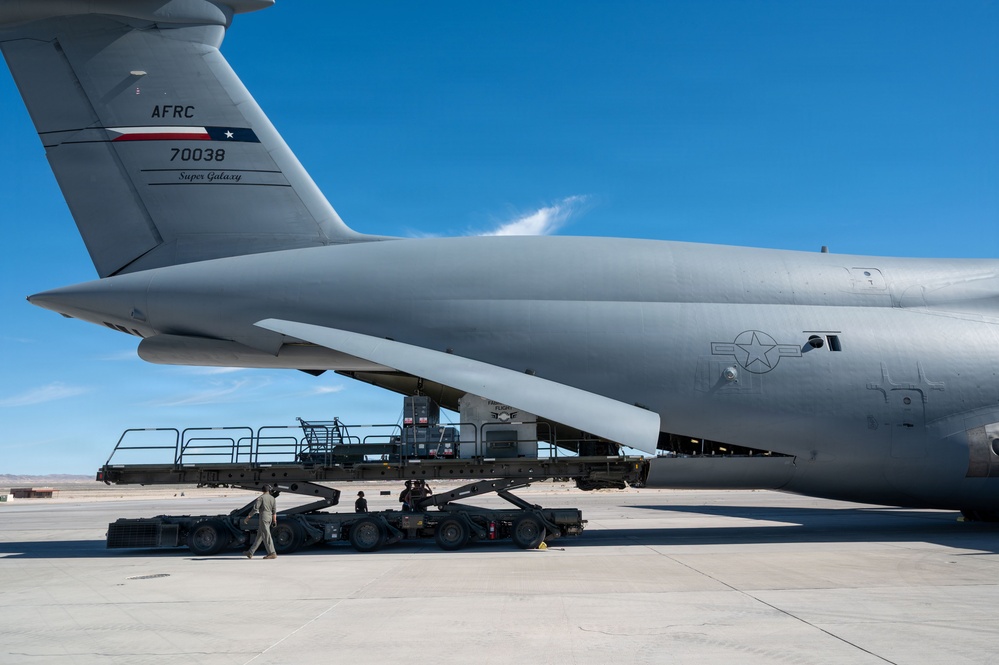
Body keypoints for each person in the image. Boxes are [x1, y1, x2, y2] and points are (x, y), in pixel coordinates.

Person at [243, 484, 277, 559]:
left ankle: (272, 553)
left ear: (262, 490)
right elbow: (274, 511)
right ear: (269, 490)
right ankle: (250, 552)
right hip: (269, 517)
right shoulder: (272, 498)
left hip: (263, 517)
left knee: (266, 535)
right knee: (260, 536)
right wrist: (274, 521)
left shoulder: (261, 498)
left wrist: (248, 517)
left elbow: (255, 509)